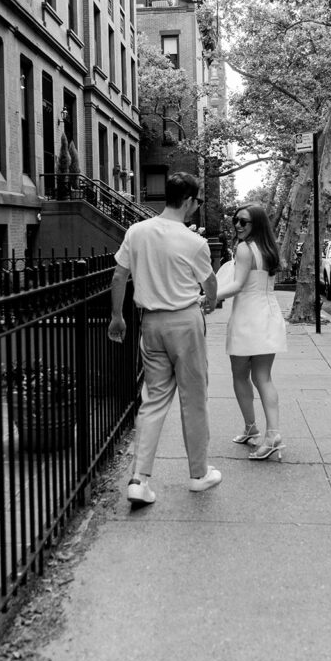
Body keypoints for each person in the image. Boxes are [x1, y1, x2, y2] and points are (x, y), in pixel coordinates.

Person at [108, 172, 221, 506]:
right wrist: (211, 303)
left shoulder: (137, 231)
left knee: (154, 400)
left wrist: (118, 316)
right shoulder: (194, 241)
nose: (197, 207)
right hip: (185, 323)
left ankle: (138, 480)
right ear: (187, 201)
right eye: (198, 201)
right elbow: (210, 283)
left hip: (150, 324)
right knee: (194, 397)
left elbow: (119, 274)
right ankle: (198, 474)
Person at [215, 202, 288, 461]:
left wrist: (206, 296)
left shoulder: (244, 248)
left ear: (255, 224)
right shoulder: (269, 249)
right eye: (236, 220)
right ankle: (273, 433)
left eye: (243, 222)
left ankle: (251, 427)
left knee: (239, 376)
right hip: (269, 317)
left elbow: (236, 286)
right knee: (263, 378)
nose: (237, 225)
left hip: (247, 318)